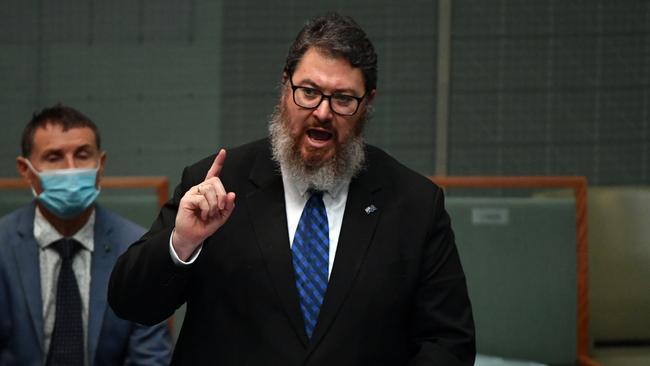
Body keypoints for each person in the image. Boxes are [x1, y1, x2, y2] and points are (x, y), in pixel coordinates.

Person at [109, 12, 475, 366]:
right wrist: (182, 243)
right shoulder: (216, 182)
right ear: (286, 87)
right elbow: (131, 304)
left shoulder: (413, 203)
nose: (322, 112)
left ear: (368, 103)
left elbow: (449, 343)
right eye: (309, 92)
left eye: (344, 99)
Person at [0, 104, 172, 366]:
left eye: (82, 155)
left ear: (100, 165)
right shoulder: (3, 245)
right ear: (26, 170)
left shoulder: (137, 249)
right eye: (54, 157)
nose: (70, 169)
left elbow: (150, 357)